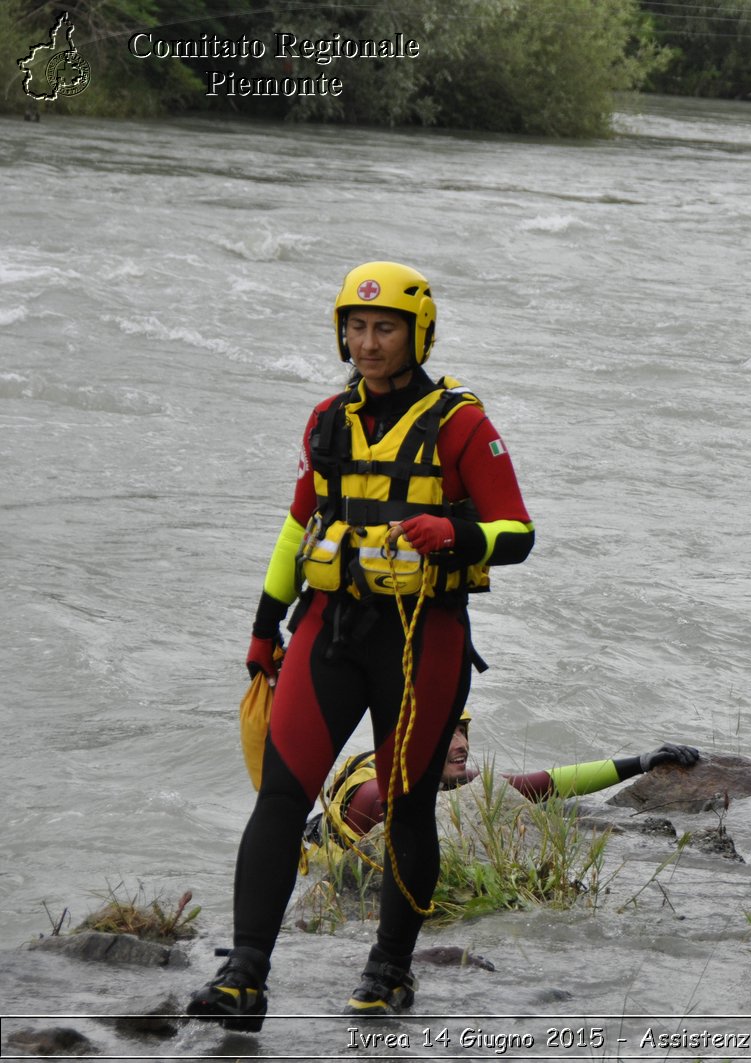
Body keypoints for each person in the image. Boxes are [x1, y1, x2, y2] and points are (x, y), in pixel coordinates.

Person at [188, 262, 535, 1030]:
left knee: (409, 807)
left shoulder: (462, 424)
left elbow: (519, 532)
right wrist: (261, 626)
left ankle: (388, 972)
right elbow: (296, 527)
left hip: (422, 640)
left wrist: (457, 531)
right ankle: (244, 975)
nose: (367, 343)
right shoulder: (326, 420)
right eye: (355, 326)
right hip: (329, 629)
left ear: (419, 333)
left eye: (384, 328)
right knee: (281, 795)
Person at [303, 710, 701, 851]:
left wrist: (643, 761)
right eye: (449, 735)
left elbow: (541, 785)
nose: (461, 746)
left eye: (464, 733)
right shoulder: (378, 794)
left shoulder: (443, 776)